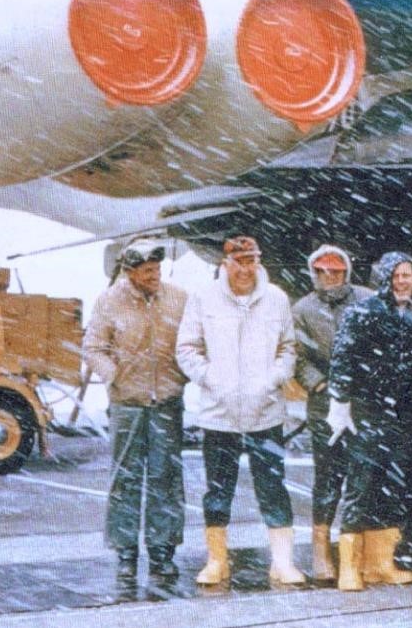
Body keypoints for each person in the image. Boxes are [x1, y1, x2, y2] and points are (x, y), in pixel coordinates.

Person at [176, 236, 305, 587]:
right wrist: (211, 378)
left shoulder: (276, 298)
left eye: (252, 261)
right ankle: (217, 560)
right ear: (225, 264)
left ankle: (282, 561)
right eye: (239, 262)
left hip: (266, 414)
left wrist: (273, 378)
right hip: (219, 415)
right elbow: (186, 348)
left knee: (273, 487)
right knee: (218, 491)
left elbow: (289, 348)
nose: (246, 269)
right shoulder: (203, 298)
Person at [83, 240, 188, 584]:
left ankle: (162, 551)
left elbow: (191, 342)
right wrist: (116, 376)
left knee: (166, 479)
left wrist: (183, 375)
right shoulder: (108, 301)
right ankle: (126, 552)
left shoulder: (178, 298)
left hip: (167, 402)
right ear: (129, 273)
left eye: (157, 270)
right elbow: (94, 347)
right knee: (125, 479)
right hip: (127, 404)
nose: (154, 276)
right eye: (146, 272)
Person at [326, 252, 412, 591]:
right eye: (397, 275)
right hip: (367, 411)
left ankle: (380, 562)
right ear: (384, 277)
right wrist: (339, 401)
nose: (403, 281)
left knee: (392, 485)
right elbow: (342, 357)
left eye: (408, 275)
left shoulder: (411, 318)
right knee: (361, 484)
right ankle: (350, 566)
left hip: (400, 415)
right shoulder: (364, 312)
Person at [291, 244, 374, 585]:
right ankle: (321, 549)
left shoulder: (367, 300)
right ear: (314, 273)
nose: (331, 277)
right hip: (324, 401)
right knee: (327, 476)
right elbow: (296, 355)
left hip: (363, 400)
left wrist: (365, 381)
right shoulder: (303, 309)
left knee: (364, 473)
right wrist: (319, 384)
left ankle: (358, 551)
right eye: (324, 271)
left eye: (337, 271)